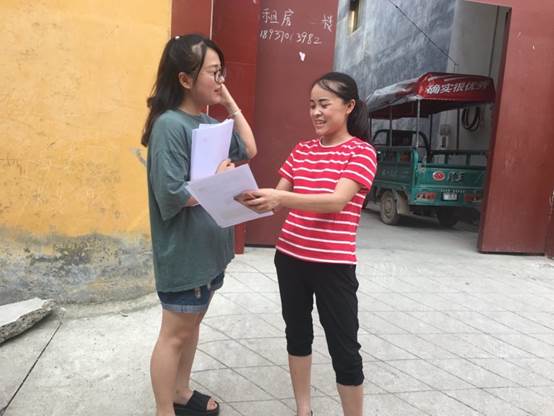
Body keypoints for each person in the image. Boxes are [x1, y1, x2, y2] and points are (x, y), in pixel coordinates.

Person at [241, 72, 377, 416]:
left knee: (345, 349)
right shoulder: (301, 150)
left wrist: (280, 198)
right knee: (297, 335)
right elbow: (274, 200)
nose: (316, 112)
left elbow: (336, 201)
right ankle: (304, 410)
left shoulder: (362, 152)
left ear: (349, 106)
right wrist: (238, 189)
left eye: (324, 105)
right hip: (289, 257)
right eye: (312, 105)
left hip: (333, 266)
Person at [141, 34, 257, 416]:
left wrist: (230, 103)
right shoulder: (169, 126)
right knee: (174, 334)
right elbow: (171, 194)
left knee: (191, 327)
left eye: (222, 73)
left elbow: (250, 149)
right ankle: (164, 408)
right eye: (214, 72)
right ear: (185, 79)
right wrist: (217, 180)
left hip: (207, 252)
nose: (220, 80)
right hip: (184, 254)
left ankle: (180, 391)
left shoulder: (210, 123)